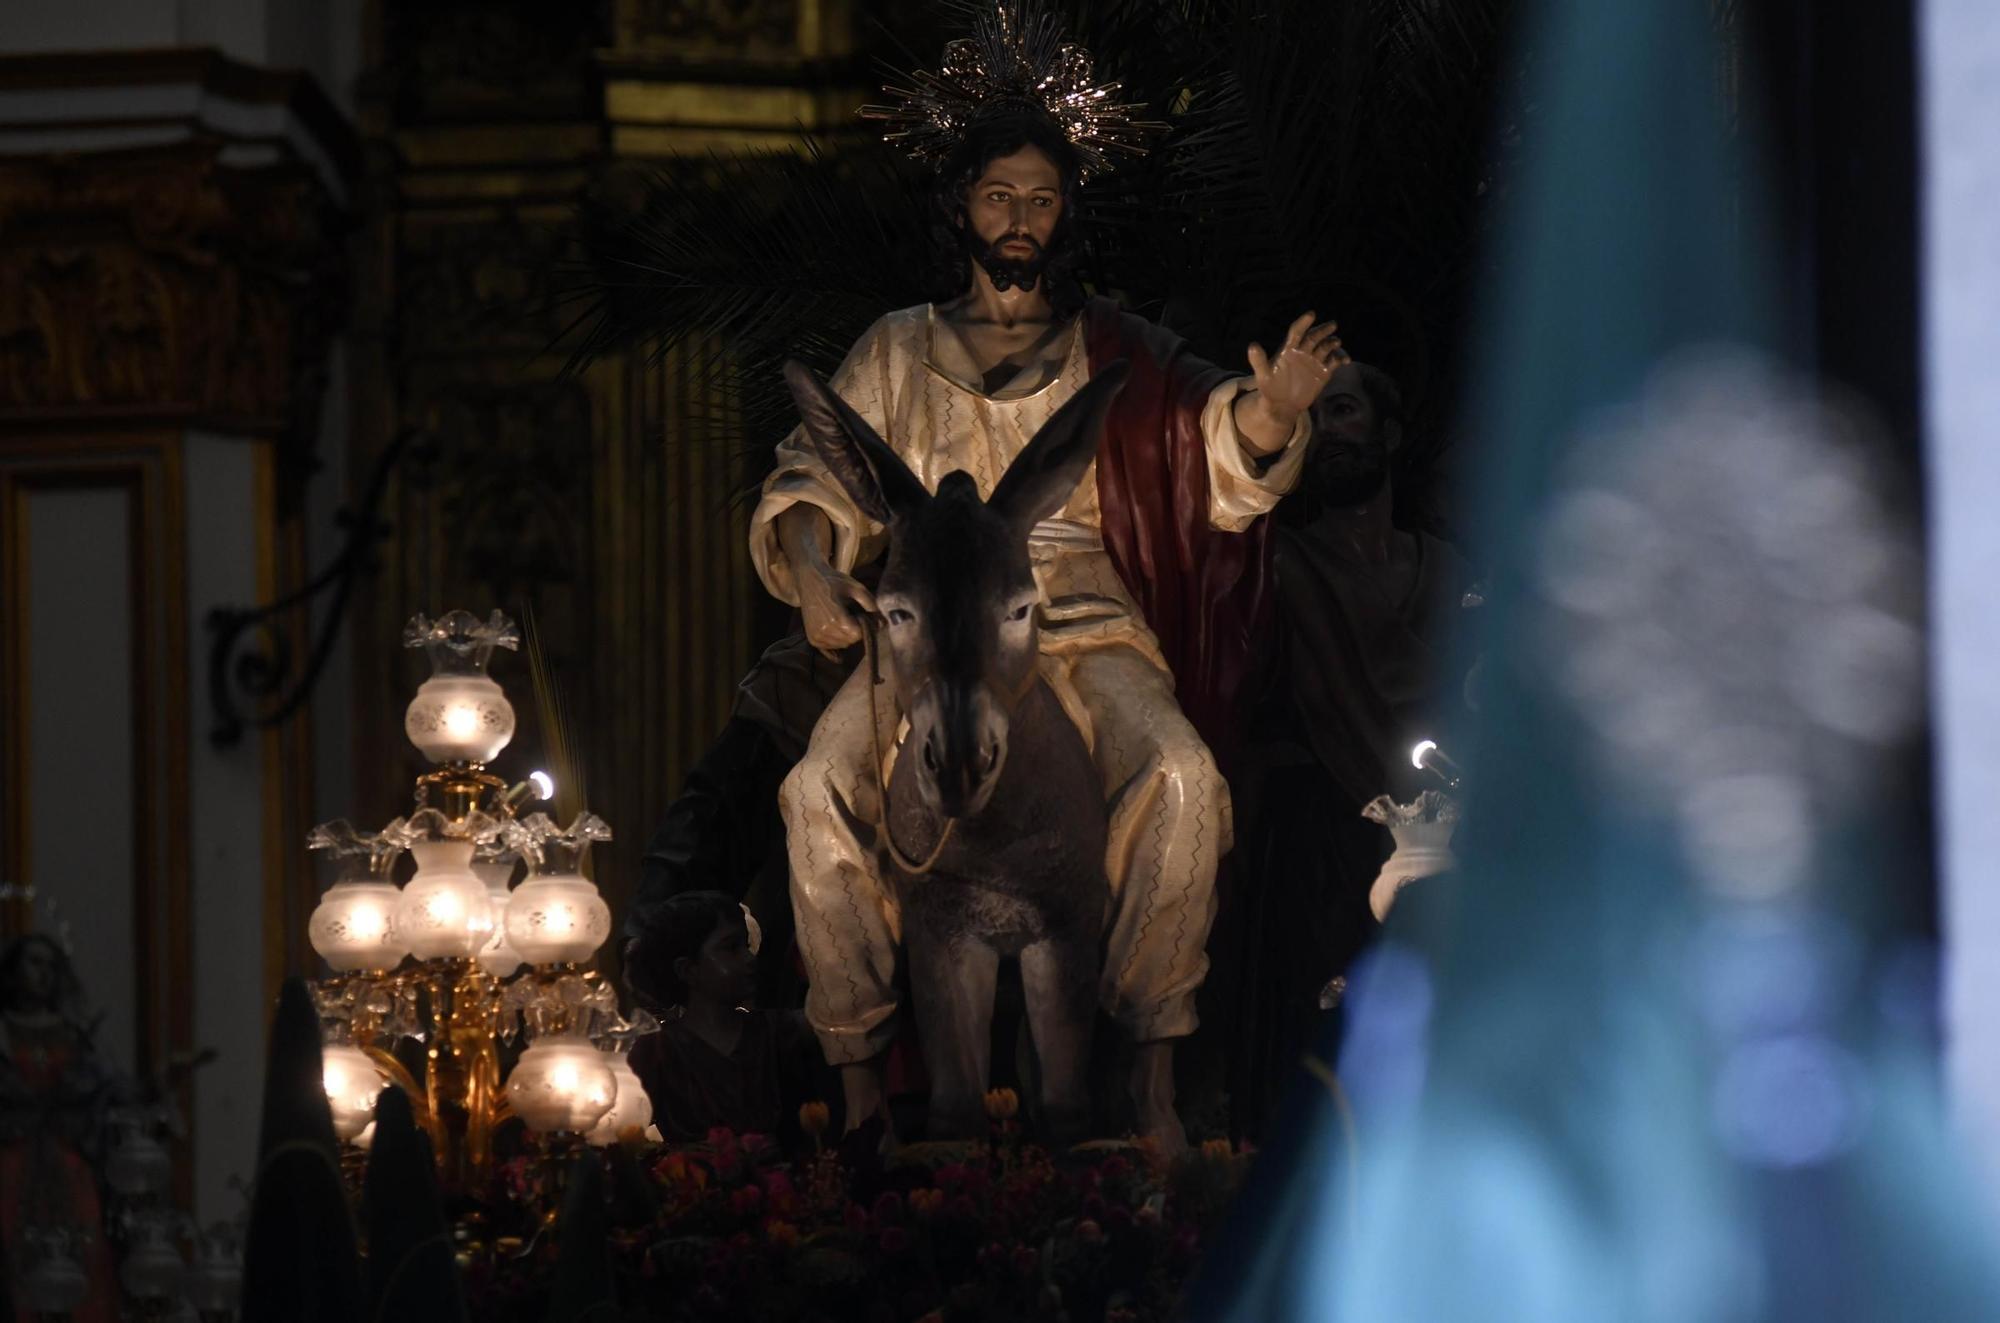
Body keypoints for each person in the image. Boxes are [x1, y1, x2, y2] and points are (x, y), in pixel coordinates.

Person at [755, 10, 1347, 1145]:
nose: (1017, 221)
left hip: (1076, 613)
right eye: (996, 197)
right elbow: (808, 480)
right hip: (923, 633)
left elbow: (1206, 453)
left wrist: (1268, 415)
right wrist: (819, 574)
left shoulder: (1109, 347)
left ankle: (1153, 1068)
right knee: (810, 795)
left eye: (1037, 200)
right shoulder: (892, 348)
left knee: (1181, 778)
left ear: (1062, 212)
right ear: (960, 208)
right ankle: (861, 1079)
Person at [1229, 360, 1476, 1130]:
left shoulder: (1450, 569)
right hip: (1330, 826)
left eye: (1344, 412)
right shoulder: (1280, 563)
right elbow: (1295, 694)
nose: (1329, 433)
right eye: (1316, 419)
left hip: (1448, 819)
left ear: (1388, 432)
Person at [623, 893, 825, 1147]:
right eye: (731, 948)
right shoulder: (657, 1052)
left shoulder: (779, 1031)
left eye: (746, 946)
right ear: (687, 969)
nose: (750, 958)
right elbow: (625, 1137)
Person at [0, 933, 119, 1323]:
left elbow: (105, 1089)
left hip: (68, 1166)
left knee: (80, 1252)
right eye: (34, 963)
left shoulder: (73, 1034)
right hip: (11, 1162)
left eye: (51, 966)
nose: (43, 974)